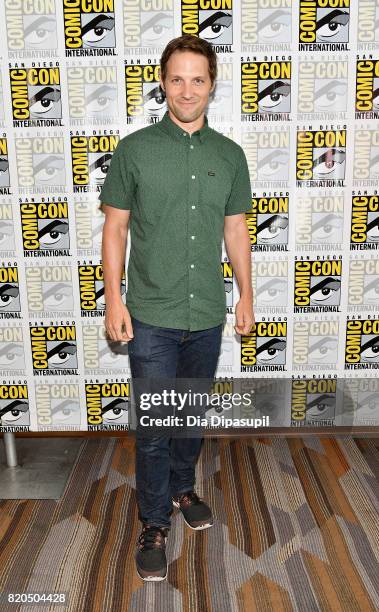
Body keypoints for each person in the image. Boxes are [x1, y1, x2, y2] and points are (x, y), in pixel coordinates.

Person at [99, 34, 254, 582]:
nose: (187, 90)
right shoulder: (135, 150)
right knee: (155, 425)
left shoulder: (229, 156)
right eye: (177, 78)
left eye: (199, 79)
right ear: (162, 83)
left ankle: (184, 489)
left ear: (212, 85)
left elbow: (235, 230)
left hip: (207, 313)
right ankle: (155, 521)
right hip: (151, 315)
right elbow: (115, 227)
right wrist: (113, 298)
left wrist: (246, 295)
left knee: (188, 416)